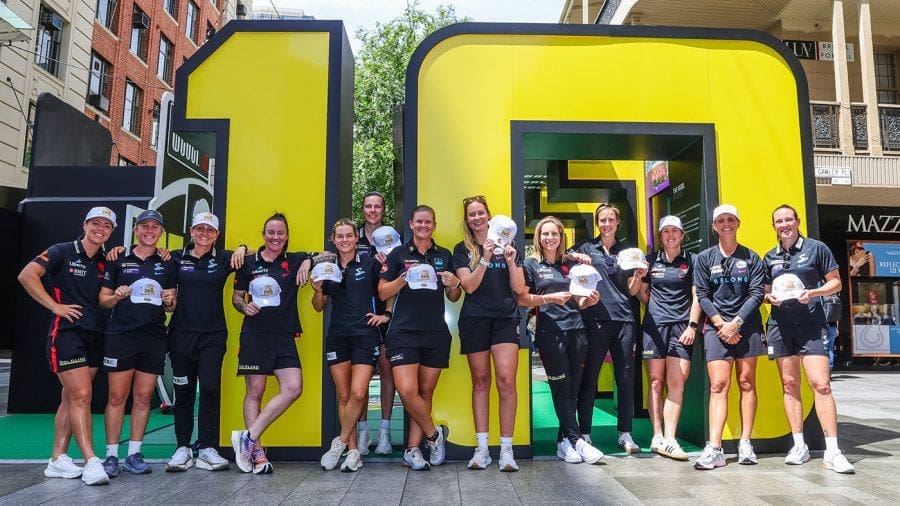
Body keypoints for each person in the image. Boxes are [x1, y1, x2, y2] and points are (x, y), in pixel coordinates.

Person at [16, 207, 118, 485]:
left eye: (107, 226)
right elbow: (26, 275)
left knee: (70, 397)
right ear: (84, 224)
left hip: (95, 333)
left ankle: (57, 460)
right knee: (82, 395)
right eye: (96, 223)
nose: (100, 228)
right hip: (67, 333)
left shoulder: (105, 260)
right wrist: (54, 306)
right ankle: (91, 461)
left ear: (111, 231)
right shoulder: (61, 250)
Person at [763, 204, 855, 473]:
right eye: (779, 221)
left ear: (798, 221)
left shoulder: (817, 248)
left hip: (812, 325)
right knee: (789, 384)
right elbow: (766, 290)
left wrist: (813, 294)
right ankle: (799, 445)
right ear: (774, 227)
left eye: (788, 219)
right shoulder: (770, 257)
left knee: (821, 385)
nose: (784, 224)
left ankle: (833, 451)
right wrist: (769, 297)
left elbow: (836, 283)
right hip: (781, 326)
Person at [378, 205, 461, 470]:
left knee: (425, 392)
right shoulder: (398, 254)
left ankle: (413, 449)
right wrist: (403, 278)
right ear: (411, 224)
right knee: (407, 390)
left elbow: (454, 297)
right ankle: (434, 436)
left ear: (434, 225)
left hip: (436, 332)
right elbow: (382, 292)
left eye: (428, 222)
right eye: (419, 222)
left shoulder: (444, 255)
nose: (424, 226)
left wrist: (454, 284)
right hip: (403, 332)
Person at [164, 212, 247, 472]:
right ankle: (182, 448)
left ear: (217, 235)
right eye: (200, 228)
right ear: (191, 230)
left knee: (210, 388)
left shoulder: (223, 258)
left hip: (212, 335)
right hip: (180, 334)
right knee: (184, 391)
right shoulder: (175, 258)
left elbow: (256, 253)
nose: (204, 233)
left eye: (210, 230)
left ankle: (207, 447)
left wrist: (243, 248)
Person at [518, 216, 603, 465]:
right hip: (549, 333)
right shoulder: (531, 265)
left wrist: (590, 301)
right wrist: (549, 299)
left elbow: (579, 300)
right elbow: (522, 299)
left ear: (561, 236)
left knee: (573, 388)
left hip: (577, 330)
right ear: (538, 238)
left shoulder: (571, 264)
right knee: (560, 387)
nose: (550, 238)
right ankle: (577, 440)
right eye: (545, 234)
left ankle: (563, 442)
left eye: (554, 234)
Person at [230, 212, 311, 475]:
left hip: (285, 335)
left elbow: (328, 255)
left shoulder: (295, 260)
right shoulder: (248, 262)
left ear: (287, 236)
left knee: (293, 387)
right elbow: (236, 298)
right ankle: (257, 454)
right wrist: (245, 307)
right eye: (271, 232)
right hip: (255, 335)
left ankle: (248, 438)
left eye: (280, 233)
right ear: (263, 234)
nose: (276, 237)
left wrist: (308, 262)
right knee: (256, 392)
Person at [99, 209, 177, 477]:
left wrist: (169, 301)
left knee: (143, 397)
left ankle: (134, 453)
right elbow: (103, 299)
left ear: (161, 232)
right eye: (145, 226)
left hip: (154, 336)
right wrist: (117, 296)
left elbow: (171, 305)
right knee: (117, 396)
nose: (150, 231)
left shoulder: (167, 262)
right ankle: (111, 456)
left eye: (155, 227)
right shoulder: (118, 258)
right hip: (121, 335)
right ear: (136, 230)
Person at [453, 196, 526, 471]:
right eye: (471, 214)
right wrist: (484, 257)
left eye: (481, 213)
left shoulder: (510, 244)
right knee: (480, 381)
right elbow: (469, 287)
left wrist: (509, 260)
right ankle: (482, 449)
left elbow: (519, 288)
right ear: (467, 219)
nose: (477, 218)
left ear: (489, 215)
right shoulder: (461, 250)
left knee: (506, 380)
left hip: (505, 319)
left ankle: (506, 450)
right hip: (474, 320)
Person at [314, 218, 391, 472]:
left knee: (359, 393)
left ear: (356, 238)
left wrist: (386, 315)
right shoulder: (327, 267)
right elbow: (319, 306)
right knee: (344, 395)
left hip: (365, 335)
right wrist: (316, 290)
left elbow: (386, 291)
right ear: (333, 240)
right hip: (337, 336)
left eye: (349, 235)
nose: (345, 240)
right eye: (340, 236)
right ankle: (354, 451)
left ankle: (340, 442)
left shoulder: (370, 263)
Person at [692, 204, 765, 470]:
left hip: (747, 326)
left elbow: (757, 293)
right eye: (720, 220)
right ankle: (715, 447)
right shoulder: (704, 258)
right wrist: (721, 324)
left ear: (738, 223)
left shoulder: (752, 257)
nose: (726, 224)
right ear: (714, 226)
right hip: (716, 327)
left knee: (746, 383)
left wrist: (736, 323)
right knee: (718, 385)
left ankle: (746, 443)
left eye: (730, 219)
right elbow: (702, 295)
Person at [568, 203, 643, 453]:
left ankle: (625, 433)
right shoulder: (587, 247)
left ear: (617, 222)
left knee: (625, 378)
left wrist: (639, 275)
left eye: (611, 219)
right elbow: (563, 256)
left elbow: (633, 290)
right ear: (597, 222)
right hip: (595, 319)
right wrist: (575, 256)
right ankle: (586, 433)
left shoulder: (628, 252)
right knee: (590, 377)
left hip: (625, 321)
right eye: (603, 220)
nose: (607, 224)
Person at [635, 216, 701, 461]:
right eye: (666, 231)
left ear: (682, 235)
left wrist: (692, 326)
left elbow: (697, 297)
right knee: (654, 382)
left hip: (682, 329)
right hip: (654, 328)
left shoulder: (692, 261)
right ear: (660, 236)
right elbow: (639, 291)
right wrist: (655, 308)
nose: (671, 235)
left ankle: (671, 439)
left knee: (677, 381)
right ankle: (658, 436)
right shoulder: (650, 261)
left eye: (675, 231)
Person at [355, 191, 396, 455]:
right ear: (363, 209)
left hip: (385, 310)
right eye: (368, 206)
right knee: (360, 375)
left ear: (383, 209)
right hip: (357, 312)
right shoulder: (351, 237)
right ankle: (362, 432)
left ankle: (384, 431)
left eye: (377, 206)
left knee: (386, 369)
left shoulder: (393, 237)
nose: (372, 210)